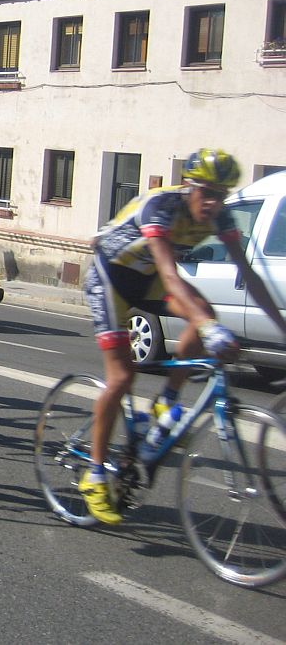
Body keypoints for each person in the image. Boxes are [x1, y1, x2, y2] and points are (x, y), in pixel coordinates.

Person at [78, 148, 286, 524]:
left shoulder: (220, 215)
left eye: (220, 195)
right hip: (111, 278)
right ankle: (93, 475)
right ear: (189, 186)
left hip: (147, 279)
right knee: (122, 377)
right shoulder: (161, 206)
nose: (212, 202)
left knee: (204, 311)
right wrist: (209, 329)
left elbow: (250, 275)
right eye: (206, 192)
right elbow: (171, 275)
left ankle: (167, 402)